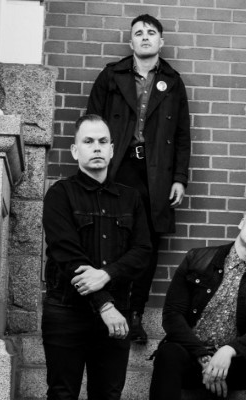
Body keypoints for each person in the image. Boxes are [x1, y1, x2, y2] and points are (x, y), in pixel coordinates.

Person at [86, 14, 191, 344]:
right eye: (139, 33)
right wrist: (94, 168)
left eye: (151, 32)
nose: (145, 37)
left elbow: (182, 134)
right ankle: (107, 307)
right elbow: (91, 124)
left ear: (161, 41)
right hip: (117, 168)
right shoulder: (111, 75)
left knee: (146, 244)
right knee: (109, 237)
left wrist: (179, 178)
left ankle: (135, 314)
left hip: (156, 174)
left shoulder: (173, 81)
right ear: (131, 41)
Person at [41, 114, 151, 400]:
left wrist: (107, 274)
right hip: (67, 312)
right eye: (88, 141)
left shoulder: (131, 198)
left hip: (117, 313)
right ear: (75, 150)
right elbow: (68, 256)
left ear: (112, 150)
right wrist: (104, 304)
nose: (97, 147)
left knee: (108, 394)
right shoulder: (60, 194)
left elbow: (142, 252)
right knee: (62, 393)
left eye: (103, 141)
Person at [149, 199, 246, 400]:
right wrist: (203, 356)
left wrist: (229, 351)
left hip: (237, 364)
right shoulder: (197, 258)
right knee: (168, 353)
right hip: (192, 359)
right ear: (242, 223)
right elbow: (172, 315)